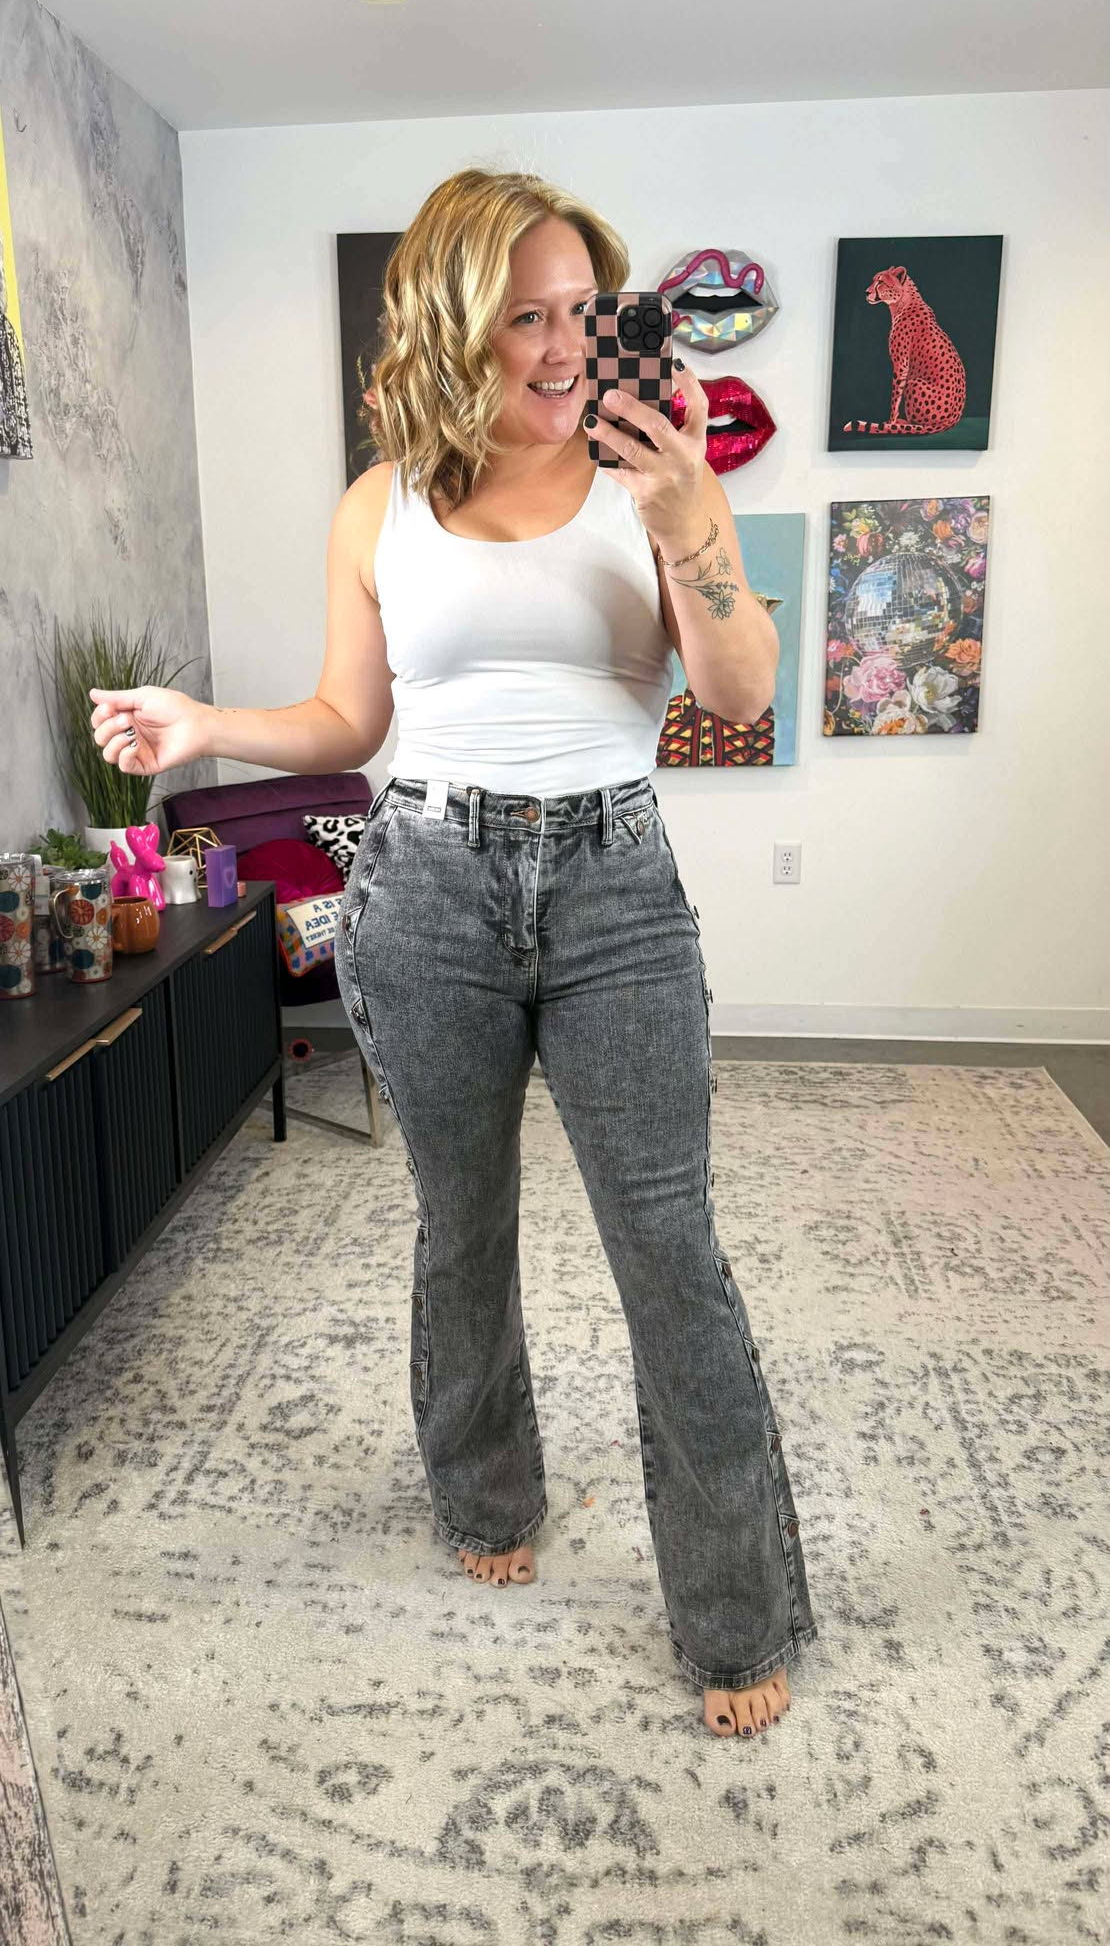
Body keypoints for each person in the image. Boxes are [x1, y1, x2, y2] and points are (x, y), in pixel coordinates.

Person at [89, 167, 819, 1739]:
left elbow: (740, 692)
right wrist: (206, 726)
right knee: (460, 1225)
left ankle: (734, 1608)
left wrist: (690, 520)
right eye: (523, 317)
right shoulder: (382, 502)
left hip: (617, 891)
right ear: (451, 322)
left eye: (581, 313)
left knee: (669, 1250)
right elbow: (348, 721)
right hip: (423, 886)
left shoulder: (653, 479)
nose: (560, 348)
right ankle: (487, 1492)